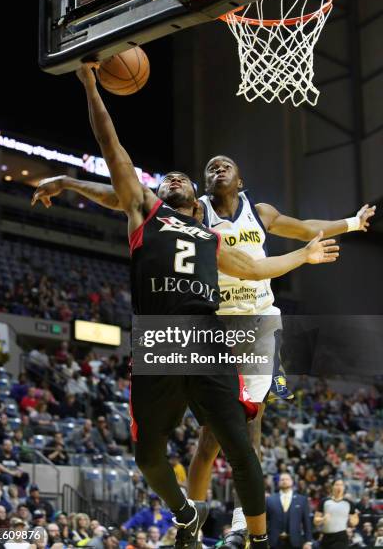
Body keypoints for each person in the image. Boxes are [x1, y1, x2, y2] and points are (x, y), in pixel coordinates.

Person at [32, 63, 339, 549]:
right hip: (158, 341)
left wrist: (305, 253)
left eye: (182, 177)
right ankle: (185, 517)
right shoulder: (146, 211)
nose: (173, 178)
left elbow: (257, 270)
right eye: (167, 177)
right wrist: (91, 90)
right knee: (149, 456)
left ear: (198, 199)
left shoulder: (210, 234)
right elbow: (112, 150)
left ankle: (255, 538)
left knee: (238, 440)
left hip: (210, 335)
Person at [266, 473, 312, 549]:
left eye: (287, 479)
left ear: (292, 481)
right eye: (282, 479)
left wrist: (308, 542)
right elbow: (265, 521)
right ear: (278, 482)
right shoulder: (270, 499)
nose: (284, 481)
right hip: (274, 542)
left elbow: (306, 522)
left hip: (295, 542)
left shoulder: (302, 500)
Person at [314, 479, 359, 549]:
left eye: (341, 485)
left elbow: (355, 521)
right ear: (332, 487)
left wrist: (353, 521)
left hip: (341, 537)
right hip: (326, 537)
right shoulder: (324, 501)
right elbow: (315, 521)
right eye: (337, 485)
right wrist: (323, 519)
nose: (339, 487)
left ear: (344, 488)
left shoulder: (349, 503)